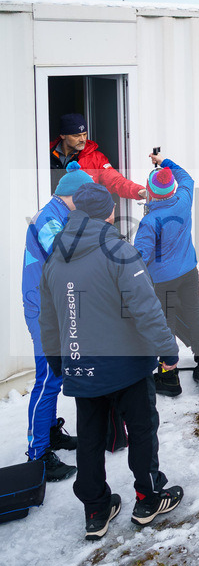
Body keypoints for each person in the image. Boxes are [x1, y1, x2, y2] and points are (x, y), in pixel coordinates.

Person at [39, 182, 183, 541]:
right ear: (109, 213)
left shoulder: (55, 258)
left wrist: (59, 362)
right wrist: (167, 350)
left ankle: (96, 509)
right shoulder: (119, 250)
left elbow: (49, 320)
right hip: (126, 365)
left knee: (90, 438)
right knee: (142, 430)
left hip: (80, 365)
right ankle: (149, 497)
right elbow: (145, 307)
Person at [22, 163, 92, 483]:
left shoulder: (61, 212)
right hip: (43, 309)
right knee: (48, 378)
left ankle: (50, 433)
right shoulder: (47, 219)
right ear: (73, 195)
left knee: (56, 375)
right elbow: (64, 254)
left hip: (54, 305)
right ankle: (38, 454)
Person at [133, 154, 199, 397]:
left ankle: (169, 377)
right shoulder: (183, 199)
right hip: (189, 271)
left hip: (163, 280)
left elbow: (140, 256)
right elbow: (187, 178)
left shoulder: (150, 221)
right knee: (194, 314)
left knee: (166, 323)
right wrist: (165, 162)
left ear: (150, 192)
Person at [49, 113, 148, 201]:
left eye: (84, 134)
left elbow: (116, 181)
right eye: (76, 136)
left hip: (80, 214)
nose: (82, 139)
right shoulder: (45, 154)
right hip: (50, 210)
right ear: (63, 135)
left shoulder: (96, 158)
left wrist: (139, 191)